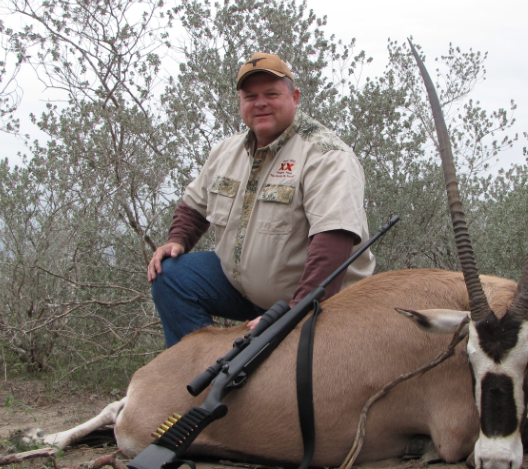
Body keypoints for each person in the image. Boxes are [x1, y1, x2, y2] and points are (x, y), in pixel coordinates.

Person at [147, 52, 375, 347]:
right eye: (250, 96)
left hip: (321, 300)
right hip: (245, 292)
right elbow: (193, 205)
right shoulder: (225, 152)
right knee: (170, 274)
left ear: (294, 97)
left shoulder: (326, 154)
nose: (260, 103)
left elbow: (334, 241)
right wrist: (177, 240)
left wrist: (297, 310)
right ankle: (196, 370)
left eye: (271, 93)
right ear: (241, 102)